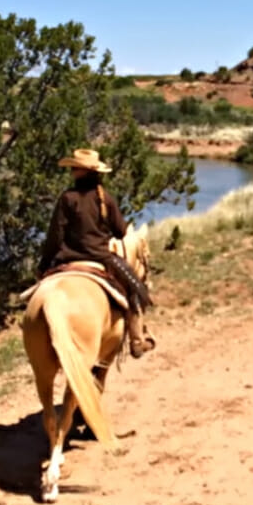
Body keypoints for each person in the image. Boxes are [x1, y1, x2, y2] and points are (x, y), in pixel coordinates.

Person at [38, 148, 155, 358]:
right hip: (101, 258)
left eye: (75, 168)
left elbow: (55, 236)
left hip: (66, 259)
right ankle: (137, 340)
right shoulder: (105, 199)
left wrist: (44, 263)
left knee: (40, 289)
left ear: (82, 172)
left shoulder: (67, 198)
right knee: (135, 288)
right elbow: (121, 232)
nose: (72, 171)